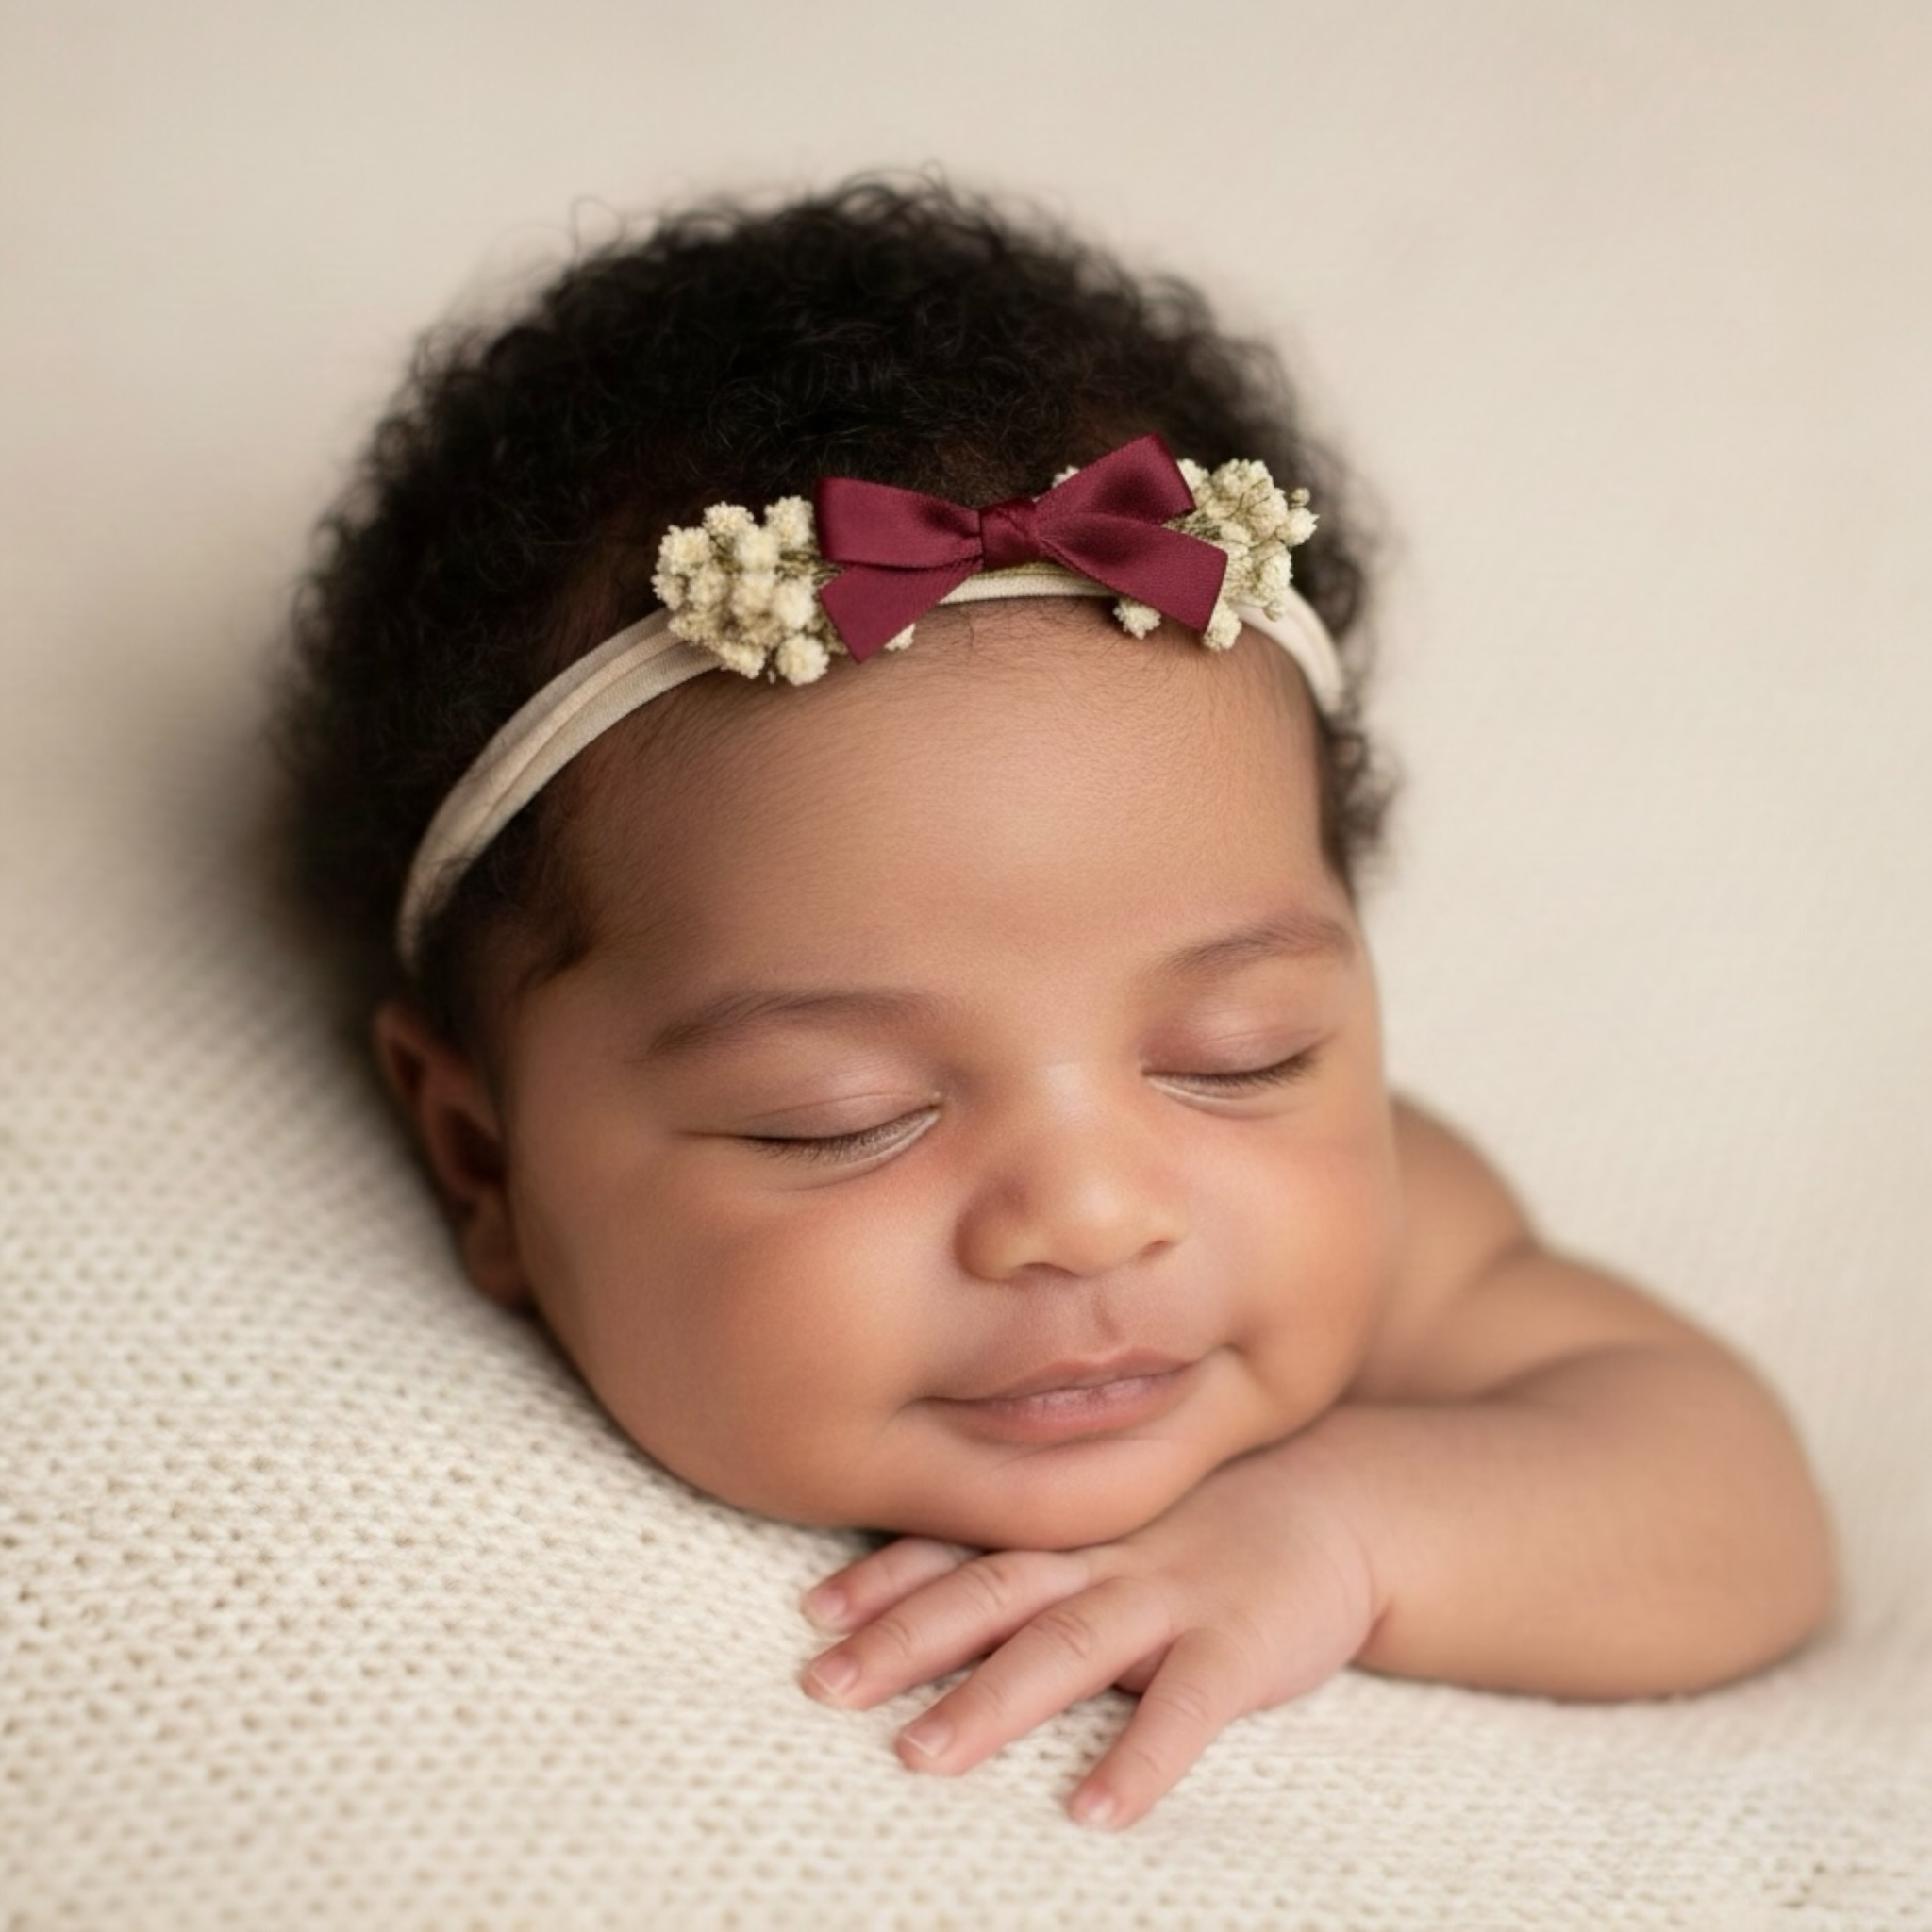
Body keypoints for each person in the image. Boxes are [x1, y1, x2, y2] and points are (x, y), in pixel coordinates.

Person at [275, 178, 1834, 1830]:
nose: (1089, 1216)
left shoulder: (1391, 1249)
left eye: (1245, 1059)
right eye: (844, 1115)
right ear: (479, 1154)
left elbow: (1742, 1508)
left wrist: (1352, 1529)